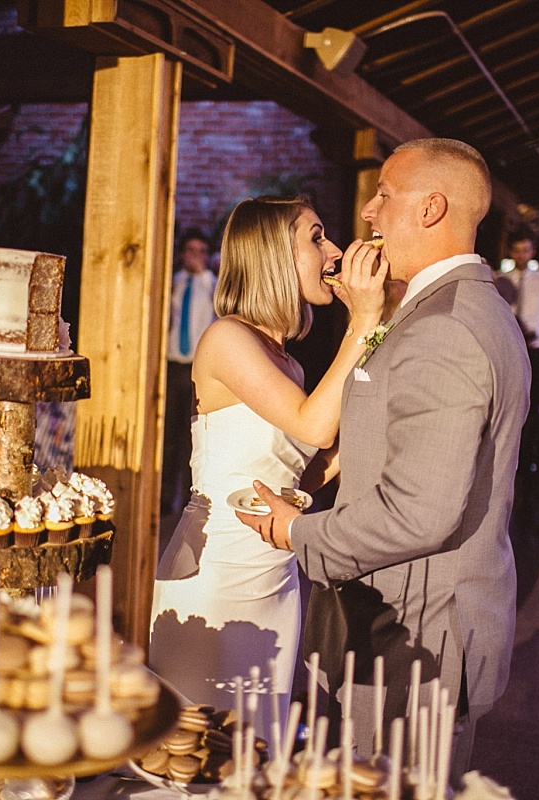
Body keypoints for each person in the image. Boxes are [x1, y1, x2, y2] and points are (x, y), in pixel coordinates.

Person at [237, 139, 530, 779]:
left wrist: (297, 531)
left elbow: (420, 511)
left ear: (431, 208)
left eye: (384, 196)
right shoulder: (462, 308)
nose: (368, 213)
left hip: (417, 635)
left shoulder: (445, 327)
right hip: (419, 620)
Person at [148, 195, 386, 724]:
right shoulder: (226, 339)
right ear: (274, 254)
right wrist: (363, 322)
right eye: (317, 236)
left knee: (259, 744)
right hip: (216, 573)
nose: (336, 250)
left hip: (274, 573)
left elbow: (302, 473)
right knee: (199, 745)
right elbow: (314, 425)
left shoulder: (291, 366)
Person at [161, 228, 218, 515]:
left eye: (202, 251)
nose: (195, 257)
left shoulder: (213, 286)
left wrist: (205, 276)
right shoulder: (172, 284)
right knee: (168, 432)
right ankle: (164, 496)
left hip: (198, 369)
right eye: (190, 250)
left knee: (192, 435)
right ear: (182, 254)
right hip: (171, 366)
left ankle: (188, 496)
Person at [500, 234, 539, 407]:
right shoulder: (500, 280)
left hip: (535, 352)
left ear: (532, 252)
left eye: (525, 250)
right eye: (517, 251)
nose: (521, 256)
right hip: (507, 349)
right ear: (510, 252)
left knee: (534, 405)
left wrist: (536, 331)